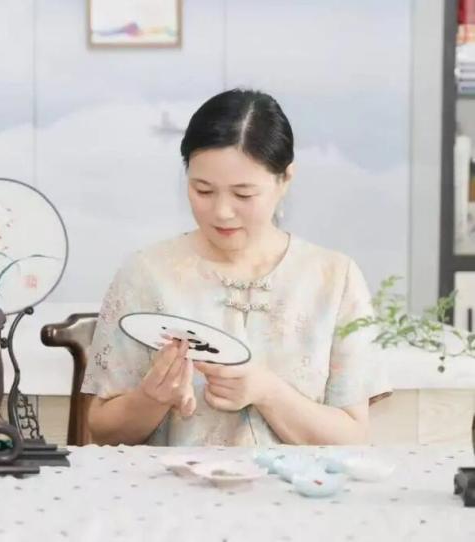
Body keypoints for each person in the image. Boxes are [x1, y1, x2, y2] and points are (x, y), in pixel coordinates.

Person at [81, 88, 391, 446]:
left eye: (243, 194)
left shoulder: (334, 279)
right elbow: (102, 430)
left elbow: (353, 436)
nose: (222, 212)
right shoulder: (146, 273)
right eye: (203, 190)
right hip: (173, 483)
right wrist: (151, 398)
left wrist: (268, 392)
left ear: (285, 180)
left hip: (296, 485)